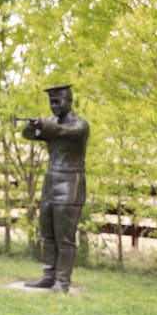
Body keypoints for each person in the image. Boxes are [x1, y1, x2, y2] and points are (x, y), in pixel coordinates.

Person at [22, 84, 89, 293]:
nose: (54, 106)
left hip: (71, 181)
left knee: (65, 236)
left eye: (57, 101)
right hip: (51, 180)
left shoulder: (80, 125)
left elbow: (62, 131)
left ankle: (62, 281)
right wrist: (33, 125)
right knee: (47, 232)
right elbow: (28, 135)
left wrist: (44, 125)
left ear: (69, 100)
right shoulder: (50, 123)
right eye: (51, 102)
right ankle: (48, 276)